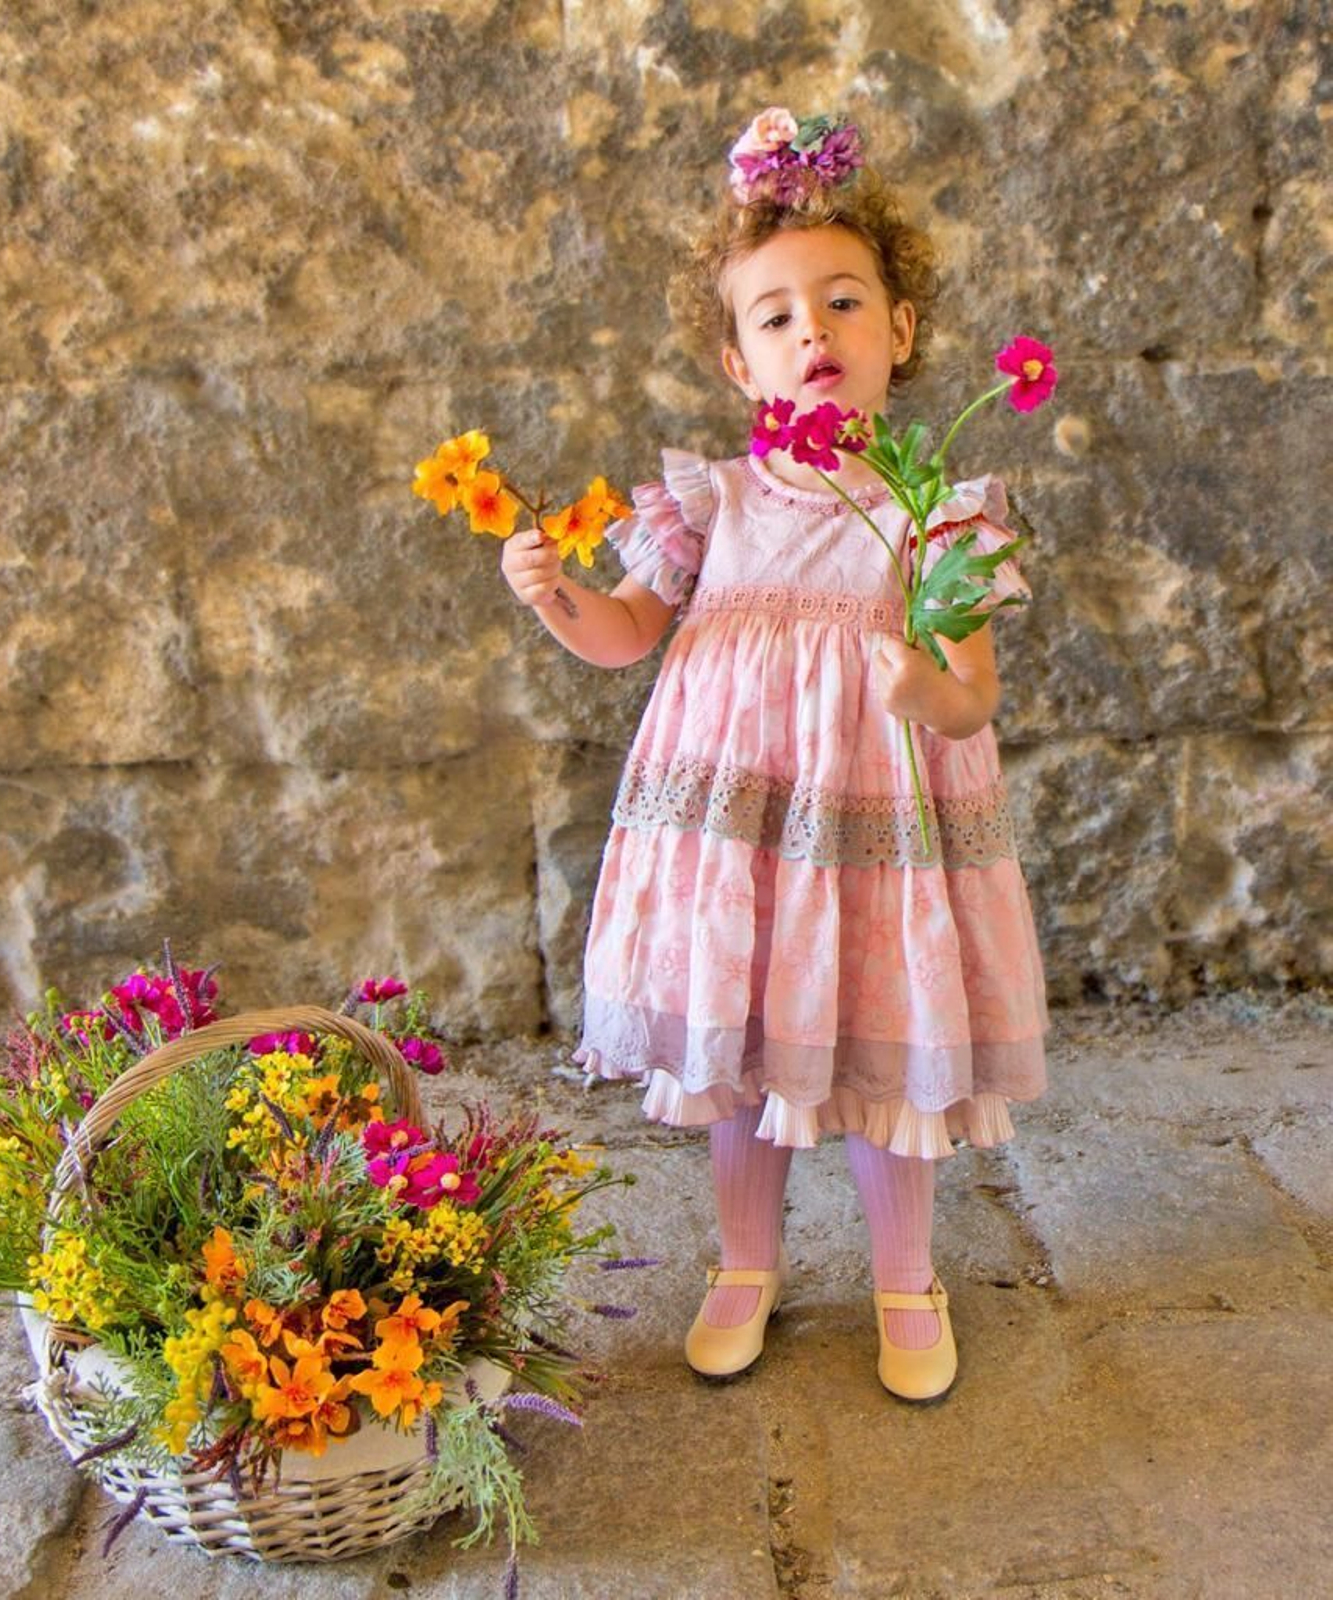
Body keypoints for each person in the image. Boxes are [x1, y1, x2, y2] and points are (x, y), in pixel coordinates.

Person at [499, 109, 1049, 1401]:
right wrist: (554, 597)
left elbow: (973, 691)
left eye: (845, 302)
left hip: (881, 836)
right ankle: (744, 1262)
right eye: (777, 316)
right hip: (741, 832)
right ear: (741, 363)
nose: (815, 332)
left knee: (881, 1042)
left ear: (900, 332)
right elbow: (629, 631)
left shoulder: (930, 512)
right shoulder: (713, 504)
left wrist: (928, 683)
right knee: (747, 1042)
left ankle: (904, 1277)